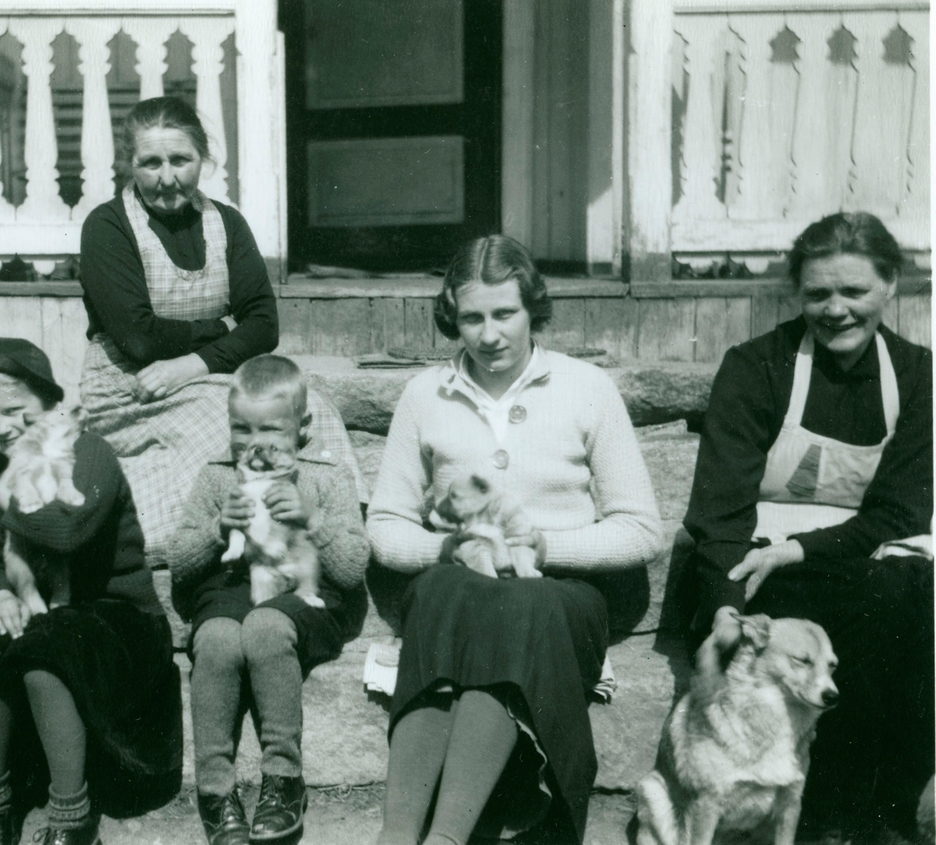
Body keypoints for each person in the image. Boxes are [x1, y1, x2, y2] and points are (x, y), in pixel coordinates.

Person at [366, 236, 663, 845]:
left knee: (521, 608)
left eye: (505, 314)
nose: (489, 334)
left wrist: (546, 547)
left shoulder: (585, 387)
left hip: (559, 592)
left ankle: (443, 838)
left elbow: (640, 529)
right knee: (451, 592)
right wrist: (445, 550)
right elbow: (387, 526)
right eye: (472, 317)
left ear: (532, 310)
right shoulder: (426, 393)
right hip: (459, 584)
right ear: (453, 315)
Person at [685, 212, 933, 840]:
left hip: (858, 559)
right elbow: (719, 510)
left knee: (906, 608)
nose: (836, 310)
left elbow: (901, 511)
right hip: (754, 565)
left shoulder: (918, 375)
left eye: (854, 292)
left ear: (891, 287)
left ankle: (880, 815)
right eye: (818, 293)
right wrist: (724, 606)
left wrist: (800, 549)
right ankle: (823, 822)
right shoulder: (756, 367)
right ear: (798, 294)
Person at [78, 97, 364, 566]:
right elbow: (139, 338)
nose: (167, 178)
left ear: (204, 159)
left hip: (202, 377)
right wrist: (222, 327)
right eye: (151, 163)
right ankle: (224, 544)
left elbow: (265, 325)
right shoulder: (107, 227)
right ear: (130, 164)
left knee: (311, 409)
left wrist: (191, 362)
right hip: (130, 390)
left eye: (180, 160)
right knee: (220, 425)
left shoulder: (226, 222)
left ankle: (341, 529)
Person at [0, 338, 182, 845]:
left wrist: (11, 490)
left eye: (16, 411)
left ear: (50, 404)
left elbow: (67, 530)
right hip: (47, 611)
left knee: (43, 652)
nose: (2, 428)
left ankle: (70, 818)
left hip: (119, 617)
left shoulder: (89, 454)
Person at [169, 355, 370, 845]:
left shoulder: (326, 477)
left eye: (271, 430)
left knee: (264, 628)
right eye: (241, 428)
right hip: (235, 589)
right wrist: (219, 530)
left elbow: (350, 567)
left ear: (301, 428)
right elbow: (180, 562)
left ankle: (283, 780)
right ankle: (215, 790)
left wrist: (313, 519)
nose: (255, 443)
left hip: (308, 594)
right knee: (216, 639)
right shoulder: (218, 477)